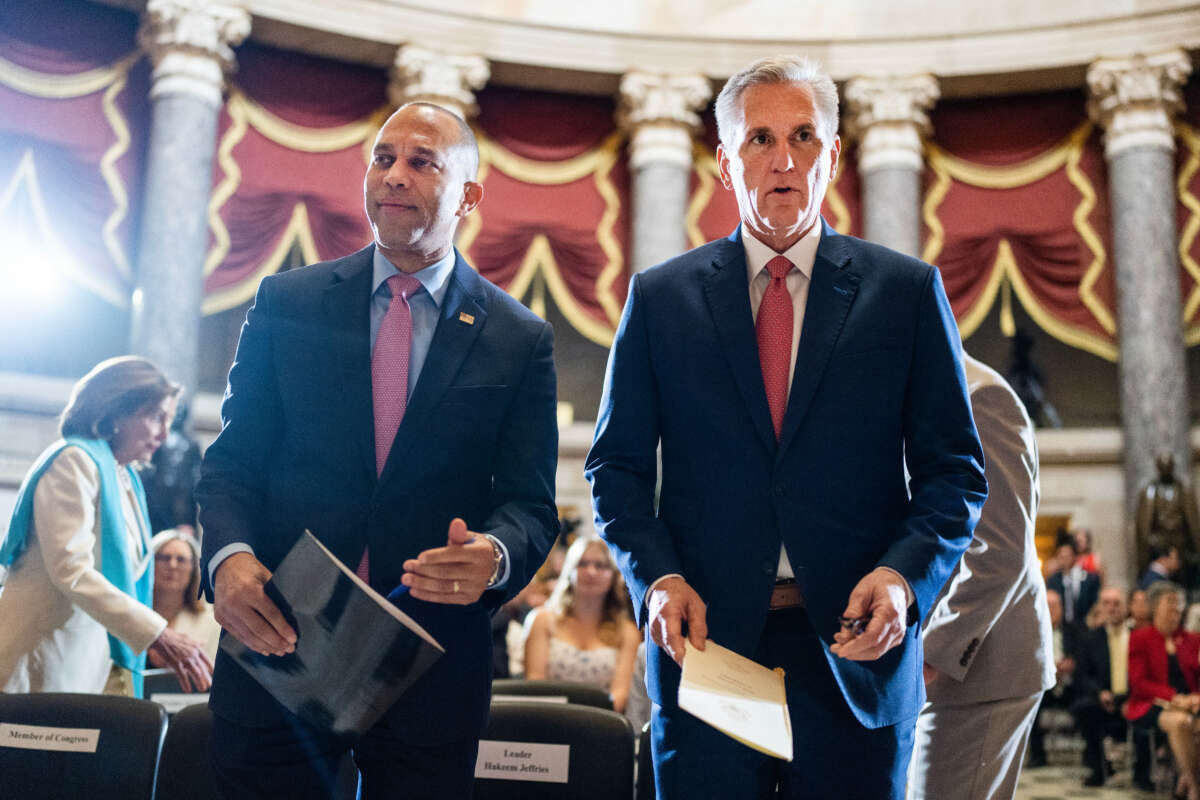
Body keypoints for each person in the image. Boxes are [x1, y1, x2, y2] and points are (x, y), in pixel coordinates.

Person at [586, 54, 987, 799]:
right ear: (724, 162)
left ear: (833, 156)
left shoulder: (905, 293)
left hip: (856, 656)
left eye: (803, 137)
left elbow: (954, 472)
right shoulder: (660, 299)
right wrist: (658, 579)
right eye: (759, 140)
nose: (782, 159)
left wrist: (905, 578)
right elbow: (615, 471)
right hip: (707, 656)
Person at [195, 101, 559, 799]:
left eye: (422, 162)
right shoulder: (287, 301)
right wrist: (229, 560)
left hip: (428, 671)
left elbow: (530, 505)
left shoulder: (519, 339)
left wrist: (498, 555)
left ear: (469, 195)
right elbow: (234, 463)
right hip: (277, 642)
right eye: (384, 158)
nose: (394, 175)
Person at [0, 357, 213, 697]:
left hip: (85, 663)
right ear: (116, 413)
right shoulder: (74, 462)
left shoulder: (126, 479)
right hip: (38, 658)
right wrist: (156, 632)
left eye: (169, 421)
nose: (163, 433)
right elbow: (71, 571)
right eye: (156, 417)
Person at [907, 355, 1054, 800]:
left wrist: (931, 654)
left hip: (979, 668)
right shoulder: (925, 393)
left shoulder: (978, 396)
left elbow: (1000, 550)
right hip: (944, 668)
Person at [524, 535, 640, 711]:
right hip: (547, 719)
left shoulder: (628, 632)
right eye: (582, 564)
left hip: (603, 723)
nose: (591, 572)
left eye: (600, 565)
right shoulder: (541, 621)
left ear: (613, 575)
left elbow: (620, 695)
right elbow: (535, 683)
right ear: (569, 570)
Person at [1126, 581, 1200, 800]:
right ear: (1155, 607)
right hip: (1151, 703)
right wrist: (1175, 698)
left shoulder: (1191, 639)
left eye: (1178, 604)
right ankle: (1194, 785)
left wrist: (1195, 698)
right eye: (1170, 603)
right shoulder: (1141, 638)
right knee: (1180, 723)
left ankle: (1185, 780)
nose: (1175, 609)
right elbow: (1139, 683)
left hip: (1191, 703)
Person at [1070, 587, 1139, 787]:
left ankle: (1142, 773)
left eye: (1116, 603)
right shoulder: (1090, 638)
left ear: (1125, 607)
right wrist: (1100, 693)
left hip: (1133, 696)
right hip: (1103, 697)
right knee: (1082, 709)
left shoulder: (1137, 635)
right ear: (1100, 607)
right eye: (1106, 603)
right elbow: (1082, 675)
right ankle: (1099, 768)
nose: (1112, 608)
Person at [151, 528, 221, 661]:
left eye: (181, 560)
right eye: (165, 558)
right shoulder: (131, 614)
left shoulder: (212, 622)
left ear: (194, 569)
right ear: (150, 563)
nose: (172, 565)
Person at [1027, 589, 1078, 768]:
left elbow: (1082, 658)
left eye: (1055, 606)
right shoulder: (1031, 633)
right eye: (1047, 606)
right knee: (1031, 704)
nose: (1052, 611)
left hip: (1070, 686)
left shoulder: (1074, 631)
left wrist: (1071, 665)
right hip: (1045, 687)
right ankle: (1037, 756)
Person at [1046, 532, 1100, 631]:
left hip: (1085, 628)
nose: (1064, 559)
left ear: (1075, 556)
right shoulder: (1053, 580)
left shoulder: (1090, 579)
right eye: (1061, 556)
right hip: (1061, 629)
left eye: (1068, 555)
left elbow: (1095, 603)